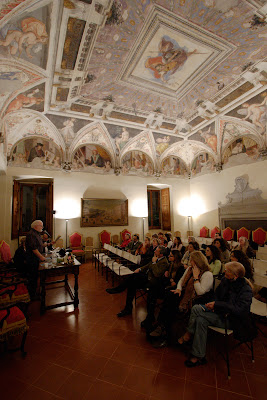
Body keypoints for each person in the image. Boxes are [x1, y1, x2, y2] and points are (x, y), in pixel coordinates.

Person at [179, 262, 255, 368]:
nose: (224, 272)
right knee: (198, 313)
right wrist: (214, 305)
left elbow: (240, 310)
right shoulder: (225, 280)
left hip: (232, 320)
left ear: (235, 275)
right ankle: (197, 352)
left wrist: (217, 305)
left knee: (199, 315)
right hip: (219, 312)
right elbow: (217, 296)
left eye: (227, 271)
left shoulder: (245, 289)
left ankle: (189, 337)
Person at [150, 251, 213, 345]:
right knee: (170, 295)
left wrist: (195, 278)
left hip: (195, 300)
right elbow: (181, 280)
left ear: (196, 261)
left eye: (191, 260)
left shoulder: (207, 274)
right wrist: (179, 289)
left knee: (171, 305)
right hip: (184, 293)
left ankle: (164, 330)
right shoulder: (190, 269)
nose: (189, 262)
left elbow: (200, 292)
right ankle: (162, 325)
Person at [105, 246, 169, 317]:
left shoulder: (164, 263)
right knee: (132, 280)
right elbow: (147, 266)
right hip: (146, 277)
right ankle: (127, 308)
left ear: (161, 254)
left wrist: (154, 263)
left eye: (156, 251)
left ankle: (119, 290)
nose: (154, 251)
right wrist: (140, 269)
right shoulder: (156, 258)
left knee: (132, 281)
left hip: (152, 282)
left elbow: (157, 274)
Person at [25, 220, 46, 299]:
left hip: (36, 258)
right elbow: (34, 249)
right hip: (32, 259)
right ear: (35, 226)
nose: (42, 227)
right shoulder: (31, 234)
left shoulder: (36, 234)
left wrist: (48, 244)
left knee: (35, 276)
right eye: (41, 226)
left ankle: (35, 292)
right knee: (33, 277)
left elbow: (39, 245)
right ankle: (32, 295)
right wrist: (41, 257)